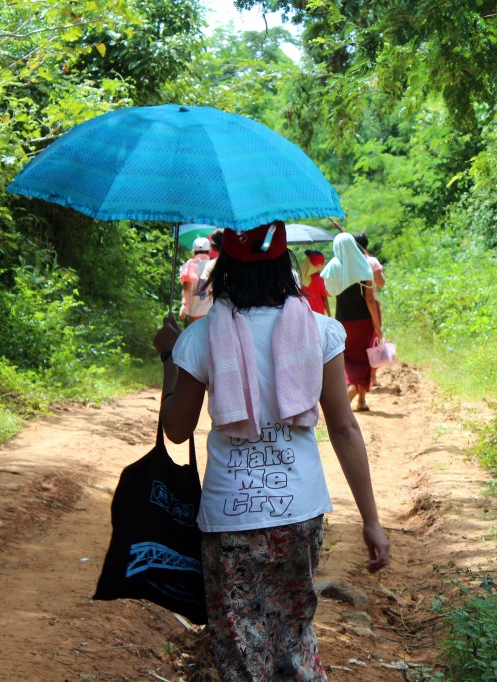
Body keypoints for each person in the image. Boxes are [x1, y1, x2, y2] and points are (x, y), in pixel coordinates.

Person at [153, 220, 390, 681]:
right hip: (299, 517)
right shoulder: (320, 331)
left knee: (241, 651)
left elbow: (176, 430)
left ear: (224, 270)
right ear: (285, 265)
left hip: (229, 522)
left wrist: (169, 357)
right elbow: (344, 428)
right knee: (293, 641)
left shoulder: (200, 338)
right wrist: (371, 521)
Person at [322, 232, 381, 412]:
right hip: (363, 322)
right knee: (363, 359)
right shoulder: (364, 266)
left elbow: (329, 292)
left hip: (343, 322)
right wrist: (378, 326)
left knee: (347, 359)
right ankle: (354, 394)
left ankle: (361, 401)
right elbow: (370, 300)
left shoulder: (333, 267)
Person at [352, 232, 385, 386]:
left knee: (358, 345)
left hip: (352, 308)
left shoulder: (349, 262)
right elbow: (381, 283)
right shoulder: (371, 261)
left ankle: (359, 379)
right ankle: (371, 378)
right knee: (374, 341)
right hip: (371, 304)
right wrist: (381, 270)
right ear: (366, 245)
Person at [179, 236, 213, 324]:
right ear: (209, 251)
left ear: (194, 251)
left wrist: (184, 305)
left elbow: (186, 287)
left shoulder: (189, 265)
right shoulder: (212, 266)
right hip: (208, 312)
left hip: (193, 313)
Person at [300, 250, 330, 315]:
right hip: (319, 314)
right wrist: (329, 315)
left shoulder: (299, 279)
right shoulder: (320, 279)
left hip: (305, 314)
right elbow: (324, 299)